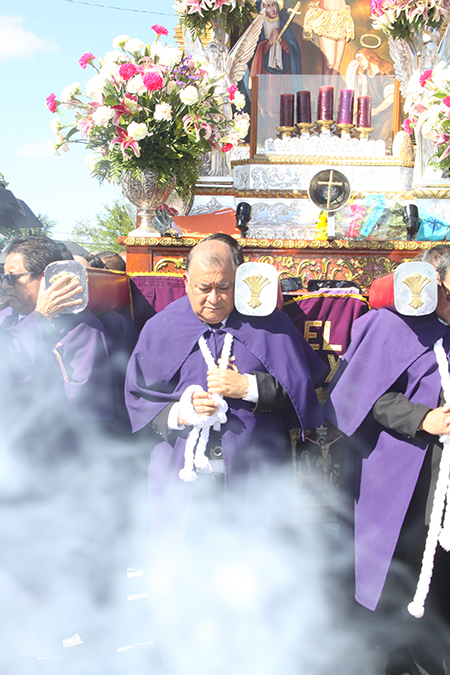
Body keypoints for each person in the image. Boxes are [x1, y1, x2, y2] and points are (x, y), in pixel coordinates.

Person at [324, 254, 450, 675]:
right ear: (434, 284)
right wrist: (422, 417)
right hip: (402, 474)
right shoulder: (390, 326)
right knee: (397, 567)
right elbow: (363, 394)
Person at [345, 47, 395, 146]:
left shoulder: (384, 69)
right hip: (373, 114)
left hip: (387, 113)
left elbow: (392, 96)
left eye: (360, 58)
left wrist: (377, 110)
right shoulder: (365, 76)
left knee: (383, 138)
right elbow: (357, 86)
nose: (359, 63)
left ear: (368, 55)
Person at [250, 0, 302, 76]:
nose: (273, 9)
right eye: (268, 6)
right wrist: (269, 43)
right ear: (262, 9)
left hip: (284, 74)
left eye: (273, 4)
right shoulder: (259, 29)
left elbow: (293, 51)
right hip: (266, 76)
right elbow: (254, 56)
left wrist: (282, 41)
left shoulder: (283, 26)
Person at [303, 0, 354, 75]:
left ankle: (334, 87)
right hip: (327, 19)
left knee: (337, 65)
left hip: (342, 17)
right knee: (330, 63)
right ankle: (326, 86)